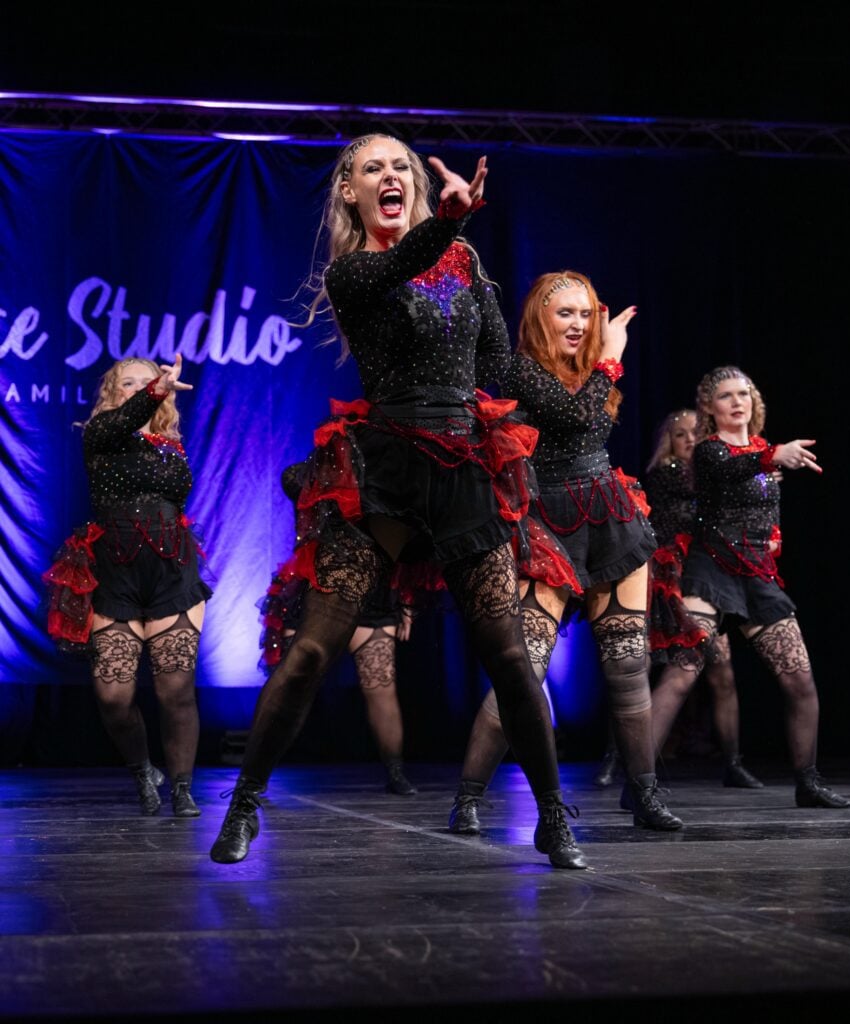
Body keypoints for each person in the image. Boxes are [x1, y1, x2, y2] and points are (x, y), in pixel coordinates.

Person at [210, 135, 587, 868]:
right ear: (349, 193)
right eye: (371, 168)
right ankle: (245, 802)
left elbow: (499, 366)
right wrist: (448, 221)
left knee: (510, 655)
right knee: (313, 649)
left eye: (399, 167)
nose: (389, 176)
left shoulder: (464, 260)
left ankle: (551, 818)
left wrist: (580, 393)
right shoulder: (354, 270)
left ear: (415, 183)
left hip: (463, 466)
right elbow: (403, 262)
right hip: (381, 470)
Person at [447, 271, 683, 836]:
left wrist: (602, 364)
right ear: (540, 318)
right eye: (566, 313)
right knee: (523, 673)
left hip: (611, 519)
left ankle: (643, 791)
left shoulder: (590, 374)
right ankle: (468, 797)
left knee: (628, 667)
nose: (578, 324)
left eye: (585, 313)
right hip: (547, 527)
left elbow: (591, 427)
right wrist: (612, 357)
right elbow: (577, 419)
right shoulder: (520, 369)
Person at [647, 366, 850, 809]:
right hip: (711, 569)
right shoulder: (710, 451)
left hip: (757, 575)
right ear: (709, 406)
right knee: (682, 674)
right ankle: (640, 784)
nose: (737, 402)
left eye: (743, 393)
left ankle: (808, 781)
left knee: (800, 680)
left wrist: (774, 535)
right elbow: (730, 468)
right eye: (726, 395)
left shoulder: (761, 451)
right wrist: (773, 456)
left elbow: (765, 504)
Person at [43, 354, 210, 817]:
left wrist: (158, 396)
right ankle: (142, 770)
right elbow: (127, 419)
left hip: (171, 571)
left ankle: (182, 788)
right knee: (113, 697)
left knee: (175, 691)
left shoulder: (172, 445)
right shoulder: (101, 434)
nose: (138, 389)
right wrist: (158, 389)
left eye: (147, 382)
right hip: (116, 574)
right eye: (129, 383)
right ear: (113, 392)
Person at [593, 408, 765, 790]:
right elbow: (707, 493)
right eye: (681, 434)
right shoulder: (668, 472)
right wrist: (751, 472)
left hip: (702, 581)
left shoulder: (712, 474)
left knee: (721, 672)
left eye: (695, 434)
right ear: (669, 441)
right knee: (637, 671)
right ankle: (616, 759)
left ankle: (733, 762)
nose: (689, 441)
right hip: (664, 584)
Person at [259, 458, 418, 796]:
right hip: (314, 587)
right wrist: (332, 461)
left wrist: (405, 597)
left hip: (371, 590)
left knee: (381, 687)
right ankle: (255, 777)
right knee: (291, 685)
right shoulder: (315, 473)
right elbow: (290, 480)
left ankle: (396, 771)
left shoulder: (380, 475)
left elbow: (400, 538)